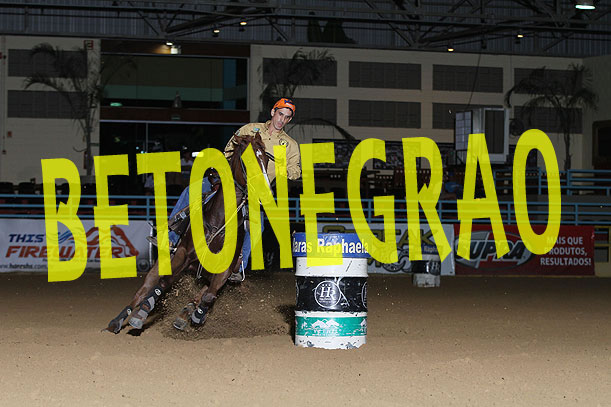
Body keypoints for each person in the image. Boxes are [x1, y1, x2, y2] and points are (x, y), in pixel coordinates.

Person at [224, 98, 301, 281]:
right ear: (273, 112)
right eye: (280, 114)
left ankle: (238, 268)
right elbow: (228, 150)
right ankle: (171, 236)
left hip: (257, 192)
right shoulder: (250, 129)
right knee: (194, 190)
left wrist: (286, 171)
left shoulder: (290, 145)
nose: (282, 119)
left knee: (257, 227)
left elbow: (296, 170)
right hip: (234, 181)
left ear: (289, 120)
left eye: (287, 117)